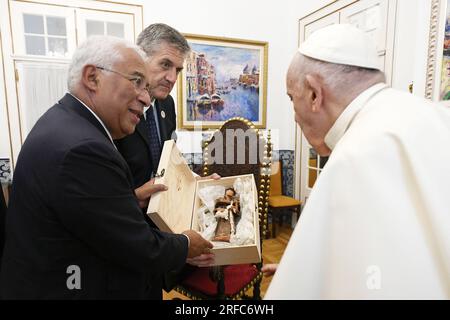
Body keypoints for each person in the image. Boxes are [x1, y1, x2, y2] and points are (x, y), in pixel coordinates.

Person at [0, 36, 213, 299]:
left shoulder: (66, 122)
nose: (146, 99)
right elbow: (137, 247)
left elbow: (82, 210)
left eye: (146, 86)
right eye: (136, 82)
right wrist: (187, 244)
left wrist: (129, 200)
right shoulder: (84, 149)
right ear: (92, 78)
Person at [265, 24, 450, 299]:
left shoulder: (356, 154)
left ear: (315, 94)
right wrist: (307, 270)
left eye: (293, 98)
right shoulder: (436, 115)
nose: (294, 115)